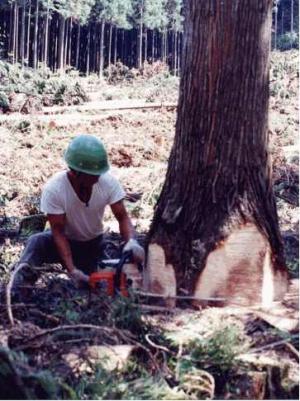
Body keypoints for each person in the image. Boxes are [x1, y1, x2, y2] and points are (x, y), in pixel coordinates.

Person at [15, 134, 144, 288]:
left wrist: (131, 241)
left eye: (98, 174)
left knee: (99, 281)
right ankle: (19, 289)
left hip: (93, 244)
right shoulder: (55, 189)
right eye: (92, 175)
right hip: (64, 242)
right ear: (75, 172)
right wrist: (72, 269)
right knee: (37, 242)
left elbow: (122, 217)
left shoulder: (107, 182)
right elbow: (58, 232)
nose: (97, 178)